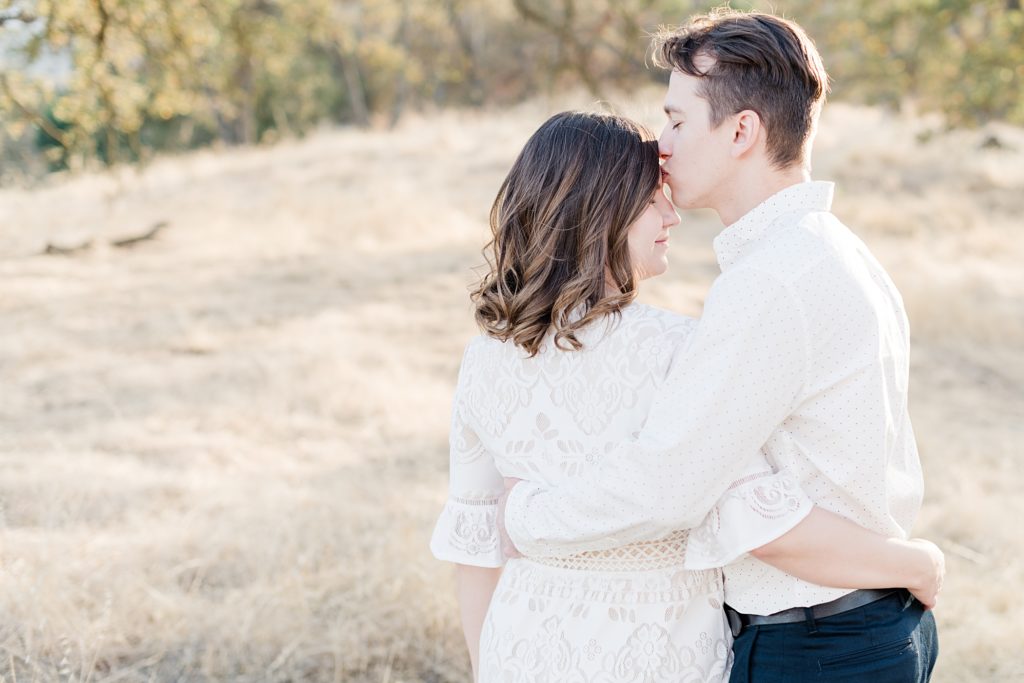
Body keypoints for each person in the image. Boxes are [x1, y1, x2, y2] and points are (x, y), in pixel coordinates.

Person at [499, 10, 941, 683]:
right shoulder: (837, 252)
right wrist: (912, 564)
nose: (662, 145)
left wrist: (529, 516)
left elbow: (670, 485)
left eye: (677, 120)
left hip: (816, 646)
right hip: (866, 625)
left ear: (742, 131)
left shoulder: (771, 281)